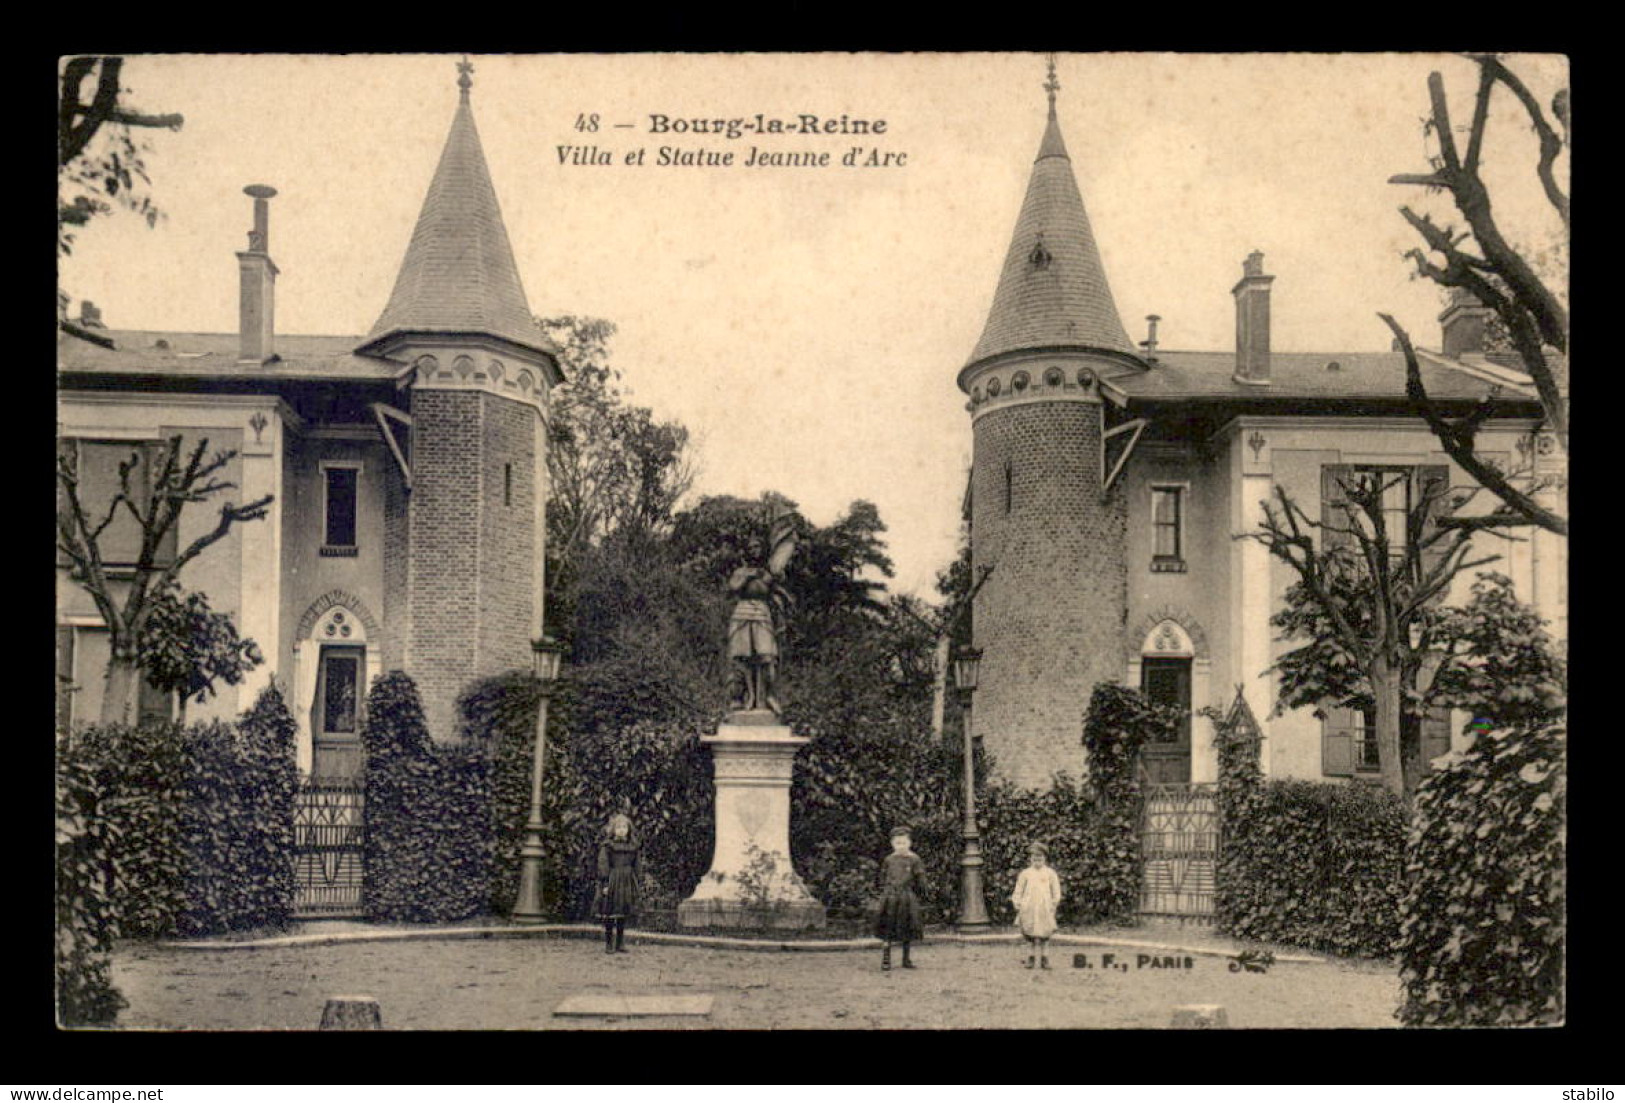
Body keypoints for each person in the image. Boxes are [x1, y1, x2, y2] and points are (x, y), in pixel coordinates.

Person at [875, 825, 926, 971]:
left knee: (907, 926)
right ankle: (886, 959)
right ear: (892, 844)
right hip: (890, 897)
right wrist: (884, 891)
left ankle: (906, 958)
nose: (901, 846)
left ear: (909, 843)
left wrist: (920, 892)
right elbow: (882, 877)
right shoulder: (889, 860)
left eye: (903, 842)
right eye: (897, 843)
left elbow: (920, 878)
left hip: (906, 897)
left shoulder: (914, 859)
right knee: (888, 928)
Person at [1011, 842, 1063, 969]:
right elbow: (1018, 889)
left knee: (1045, 934)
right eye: (1034, 858)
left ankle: (1045, 958)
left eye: (1040, 857)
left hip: (1044, 908)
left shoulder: (1050, 873)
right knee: (1030, 934)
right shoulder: (1026, 874)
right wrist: (1017, 902)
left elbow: (1056, 890)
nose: (1037, 860)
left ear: (1045, 858)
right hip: (1029, 907)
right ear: (1030, 859)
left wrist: (1054, 902)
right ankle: (1031, 957)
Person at [596, 813, 640, 954]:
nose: (621, 830)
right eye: (618, 827)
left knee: (623, 912)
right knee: (610, 912)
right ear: (613, 830)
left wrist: (636, 878)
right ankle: (609, 943)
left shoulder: (633, 846)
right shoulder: (608, 846)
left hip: (627, 881)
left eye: (624, 827)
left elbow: (637, 864)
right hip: (613, 879)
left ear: (628, 829)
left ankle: (620, 943)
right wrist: (605, 882)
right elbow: (603, 864)